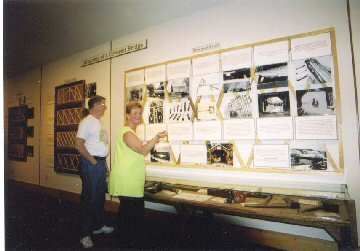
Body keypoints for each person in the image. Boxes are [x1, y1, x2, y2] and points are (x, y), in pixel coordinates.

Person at [109, 101, 167, 247]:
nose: (137, 116)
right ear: (127, 115)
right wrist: (156, 138)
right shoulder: (127, 132)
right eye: (134, 113)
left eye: (139, 113)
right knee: (133, 215)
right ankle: (127, 243)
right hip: (127, 179)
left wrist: (148, 141)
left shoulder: (131, 133)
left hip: (131, 179)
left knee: (128, 214)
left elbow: (138, 147)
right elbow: (143, 150)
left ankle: (124, 242)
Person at [75, 95, 114, 248]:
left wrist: (104, 165)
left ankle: (98, 226)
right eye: (102, 104)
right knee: (88, 199)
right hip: (91, 164)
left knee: (99, 198)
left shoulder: (98, 123)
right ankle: (84, 235)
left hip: (100, 164)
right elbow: (78, 145)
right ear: (95, 105)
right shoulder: (87, 122)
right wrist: (93, 161)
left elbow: (102, 146)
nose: (105, 106)